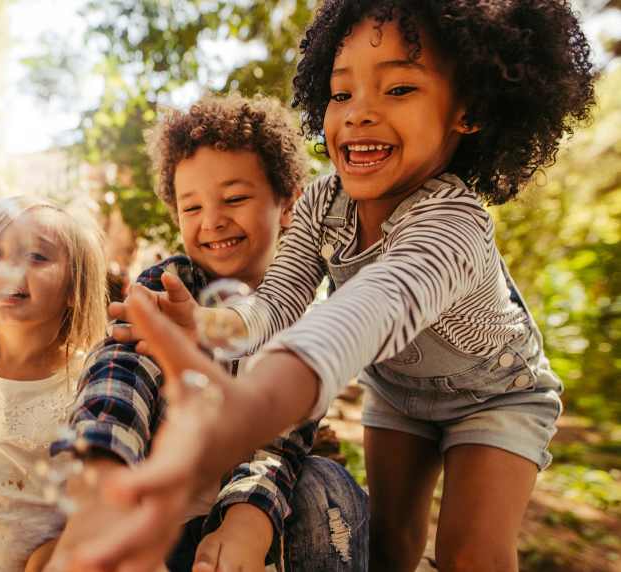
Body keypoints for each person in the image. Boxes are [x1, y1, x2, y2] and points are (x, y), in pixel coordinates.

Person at [87, 1, 597, 571]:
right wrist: (210, 324)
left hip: (496, 394)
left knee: (470, 553)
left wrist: (257, 401)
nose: (358, 115)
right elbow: (278, 303)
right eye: (341, 93)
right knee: (388, 545)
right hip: (399, 393)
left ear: (469, 110)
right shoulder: (322, 205)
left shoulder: (453, 224)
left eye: (399, 89)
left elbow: (372, 308)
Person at [45, 94, 368, 572]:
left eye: (234, 199)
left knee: (330, 484)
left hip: (260, 521)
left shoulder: (301, 315)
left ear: (288, 204)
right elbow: (121, 369)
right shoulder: (170, 285)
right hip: (159, 517)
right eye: (191, 206)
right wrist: (103, 469)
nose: (212, 221)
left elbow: (281, 436)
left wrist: (248, 515)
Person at [0, 198, 107, 572]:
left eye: (37, 256)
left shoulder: (91, 384)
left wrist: (64, 549)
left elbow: (102, 498)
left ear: (75, 286)